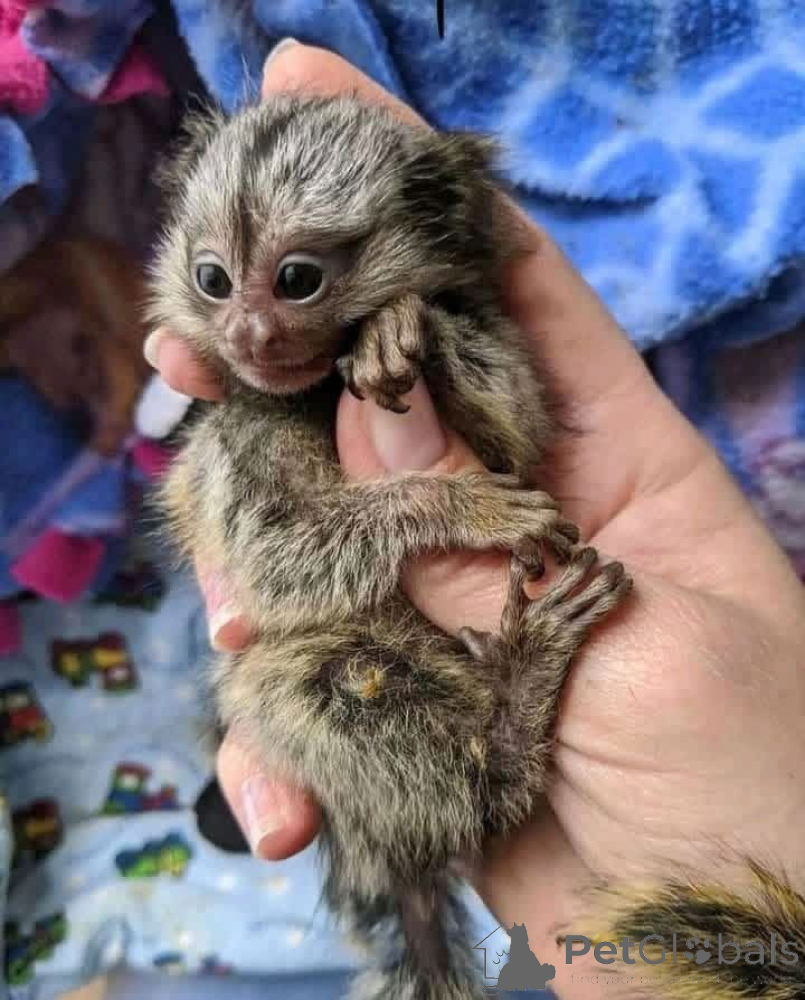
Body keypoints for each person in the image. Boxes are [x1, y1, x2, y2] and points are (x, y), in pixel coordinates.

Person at [145, 41, 805, 997]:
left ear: (429, 229)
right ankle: (471, 788)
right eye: (213, 281)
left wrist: (430, 354)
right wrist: (435, 499)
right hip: (384, 696)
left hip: (529, 775)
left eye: (299, 280)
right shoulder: (239, 421)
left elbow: (511, 436)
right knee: (284, 688)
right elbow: (285, 577)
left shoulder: (452, 327)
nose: (249, 331)